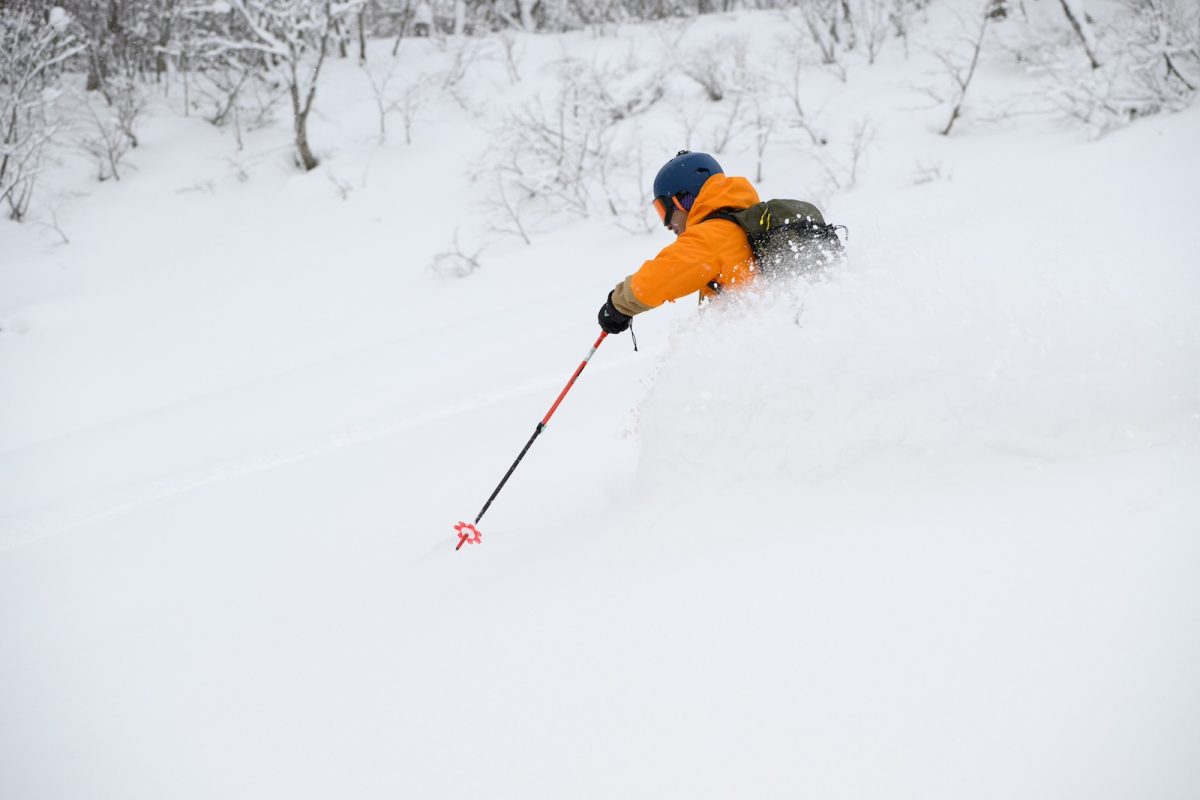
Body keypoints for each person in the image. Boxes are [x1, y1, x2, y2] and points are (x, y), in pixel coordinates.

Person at [597, 150, 763, 335]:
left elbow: (660, 278)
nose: (667, 224)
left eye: (664, 208)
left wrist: (617, 305)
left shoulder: (714, 234)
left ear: (686, 199)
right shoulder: (740, 226)